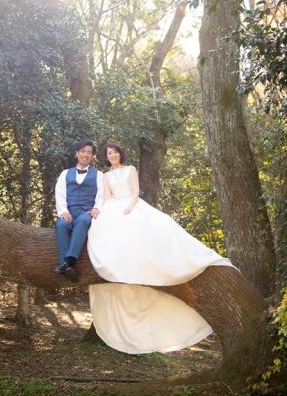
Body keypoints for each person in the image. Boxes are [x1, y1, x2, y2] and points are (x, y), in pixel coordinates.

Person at [87, 143, 234, 355]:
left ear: (121, 153)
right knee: (110, 235)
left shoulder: (130, 170)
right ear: (106, 157)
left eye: (115, 152)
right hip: (114, 209)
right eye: (109, 153)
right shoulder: (106, 176)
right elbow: (108, 198)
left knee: (157, 228)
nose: (113, 155)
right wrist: (110, 213)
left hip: (133, 205)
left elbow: (135, 191)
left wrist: (129, 206)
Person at [55, 140, 104, 282]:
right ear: (77, 154)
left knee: (83, 220)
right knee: (61, 225)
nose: (86, 154)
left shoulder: (99, 175)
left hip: (86, 212)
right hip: (69, 212)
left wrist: (96, 208)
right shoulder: (65, 173)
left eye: (89, 152)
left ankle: (68, 261)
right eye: (83, 151)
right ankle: (68, 267)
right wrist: (63, 211)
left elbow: (101, 195)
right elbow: (60, 193)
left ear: (92, 156)